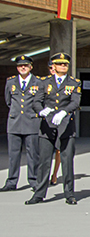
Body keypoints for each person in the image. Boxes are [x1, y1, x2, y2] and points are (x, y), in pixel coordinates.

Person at [26, 53, 81, 205]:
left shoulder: (74, 82)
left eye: (65, 64)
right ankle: (39, 194)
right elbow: (36, 101)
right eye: (60, 64)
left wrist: (64, 112)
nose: (63, 66)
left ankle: (69, 194)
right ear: (54, 66)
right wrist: (41, 111)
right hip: (48, 126)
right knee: (44, 162)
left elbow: (75, 101)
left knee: (67, 161)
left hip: (65, 125)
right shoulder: (44, 82)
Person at [1, 56, 40, 192]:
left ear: (31, 67)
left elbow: (39, 101)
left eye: (25, 65)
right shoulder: (10, 82)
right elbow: (8, 101)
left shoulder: (37, 82)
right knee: (13, 155)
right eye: (20, 66)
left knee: (33, 154)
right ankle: (11, 182)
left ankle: (34, 180)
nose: (22, 67)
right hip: (15, 122)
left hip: (31, 122)